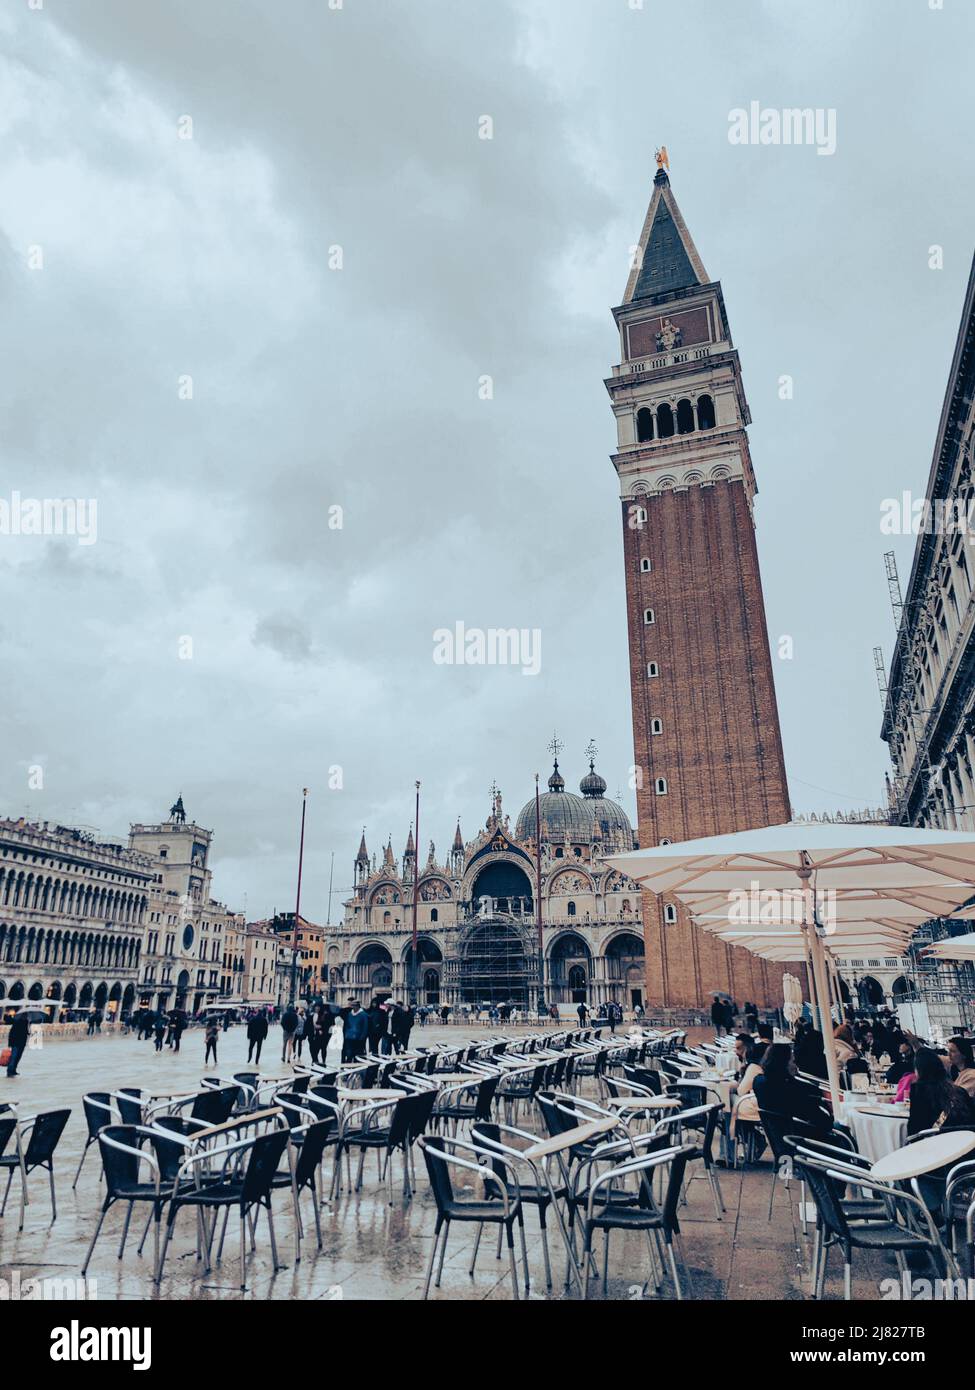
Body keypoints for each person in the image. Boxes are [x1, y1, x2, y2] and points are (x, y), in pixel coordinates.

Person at [752, 1042, 831, 1137]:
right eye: (793, 1061)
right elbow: (823, 1121)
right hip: (807, 1140)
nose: (796, 1066)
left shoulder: (759, 1082)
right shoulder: (791, 1090)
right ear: (783, 1064)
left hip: (781, 1138)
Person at [907, 1047, 975, 1136]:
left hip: (935, 1143)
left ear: (918, 1070)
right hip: (965, 1143)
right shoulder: (959, 1091)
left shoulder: (919, 1090)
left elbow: (914, 1129)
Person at [5, 1009, 31, 1077]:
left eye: (26, 1015)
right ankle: (9, 1071)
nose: (26, 1016)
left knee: (18, 1057)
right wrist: (10, 1043)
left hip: (22, 1043)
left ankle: (13, 1070)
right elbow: (12, 1032)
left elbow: (26, 1032)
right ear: (21, 1016)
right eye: (25, 1015)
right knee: (13, 1057)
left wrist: (28, 1030)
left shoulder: (26, 1022)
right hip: (15, 1043)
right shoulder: (16, 1022)